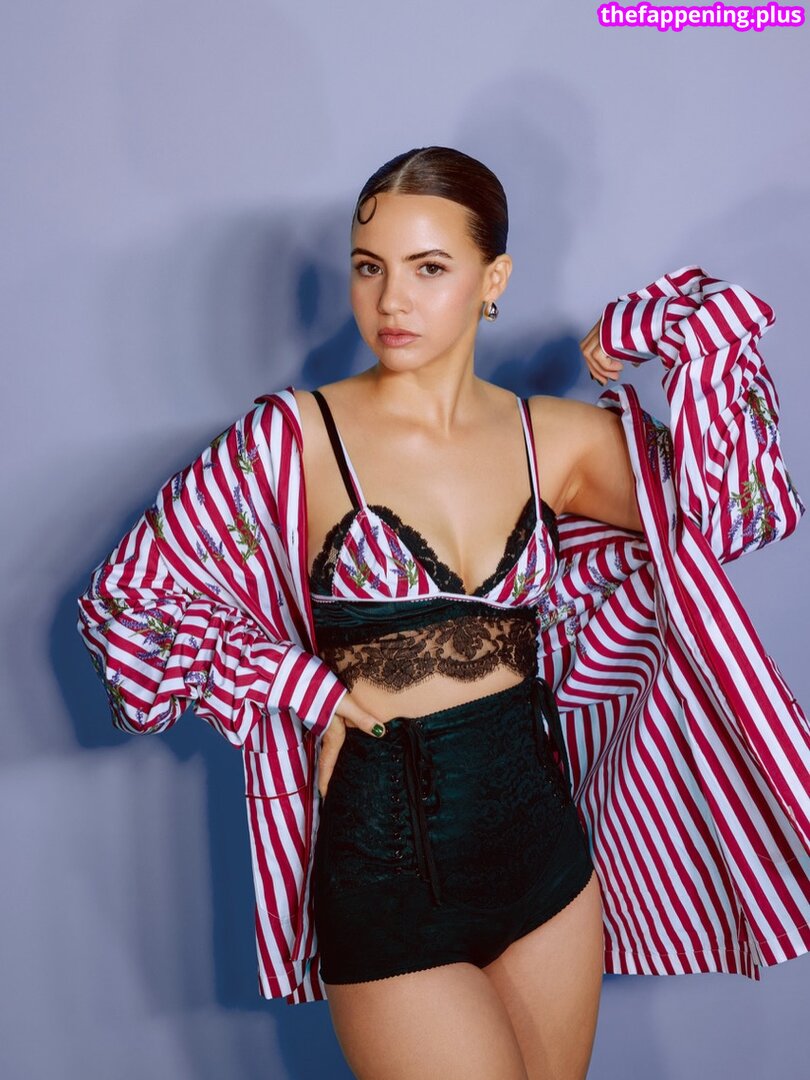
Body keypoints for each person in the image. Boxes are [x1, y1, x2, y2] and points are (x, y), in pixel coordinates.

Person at [76, 147, 809, 1080]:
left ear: (492, 279)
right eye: (369, 266)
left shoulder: (553, 438)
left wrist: (665, 324)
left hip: (543, 848)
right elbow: (126, 607)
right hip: (384, 860)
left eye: (429, 268)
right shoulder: (294, 437)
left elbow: (740, 510)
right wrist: (299, 687)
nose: (391, 301)